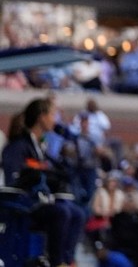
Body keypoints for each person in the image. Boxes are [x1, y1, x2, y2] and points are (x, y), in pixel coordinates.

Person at [0, 96, 87, 267]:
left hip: (38, 203)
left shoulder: (40, 148)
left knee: (77, 213)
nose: (55, 120)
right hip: (21, 206)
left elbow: (59, 172)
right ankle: (56, 262)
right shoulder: (19, 146)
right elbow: (13, 179)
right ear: (41, 117)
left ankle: (67, 260)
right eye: (53, 115)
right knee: (61, 212)